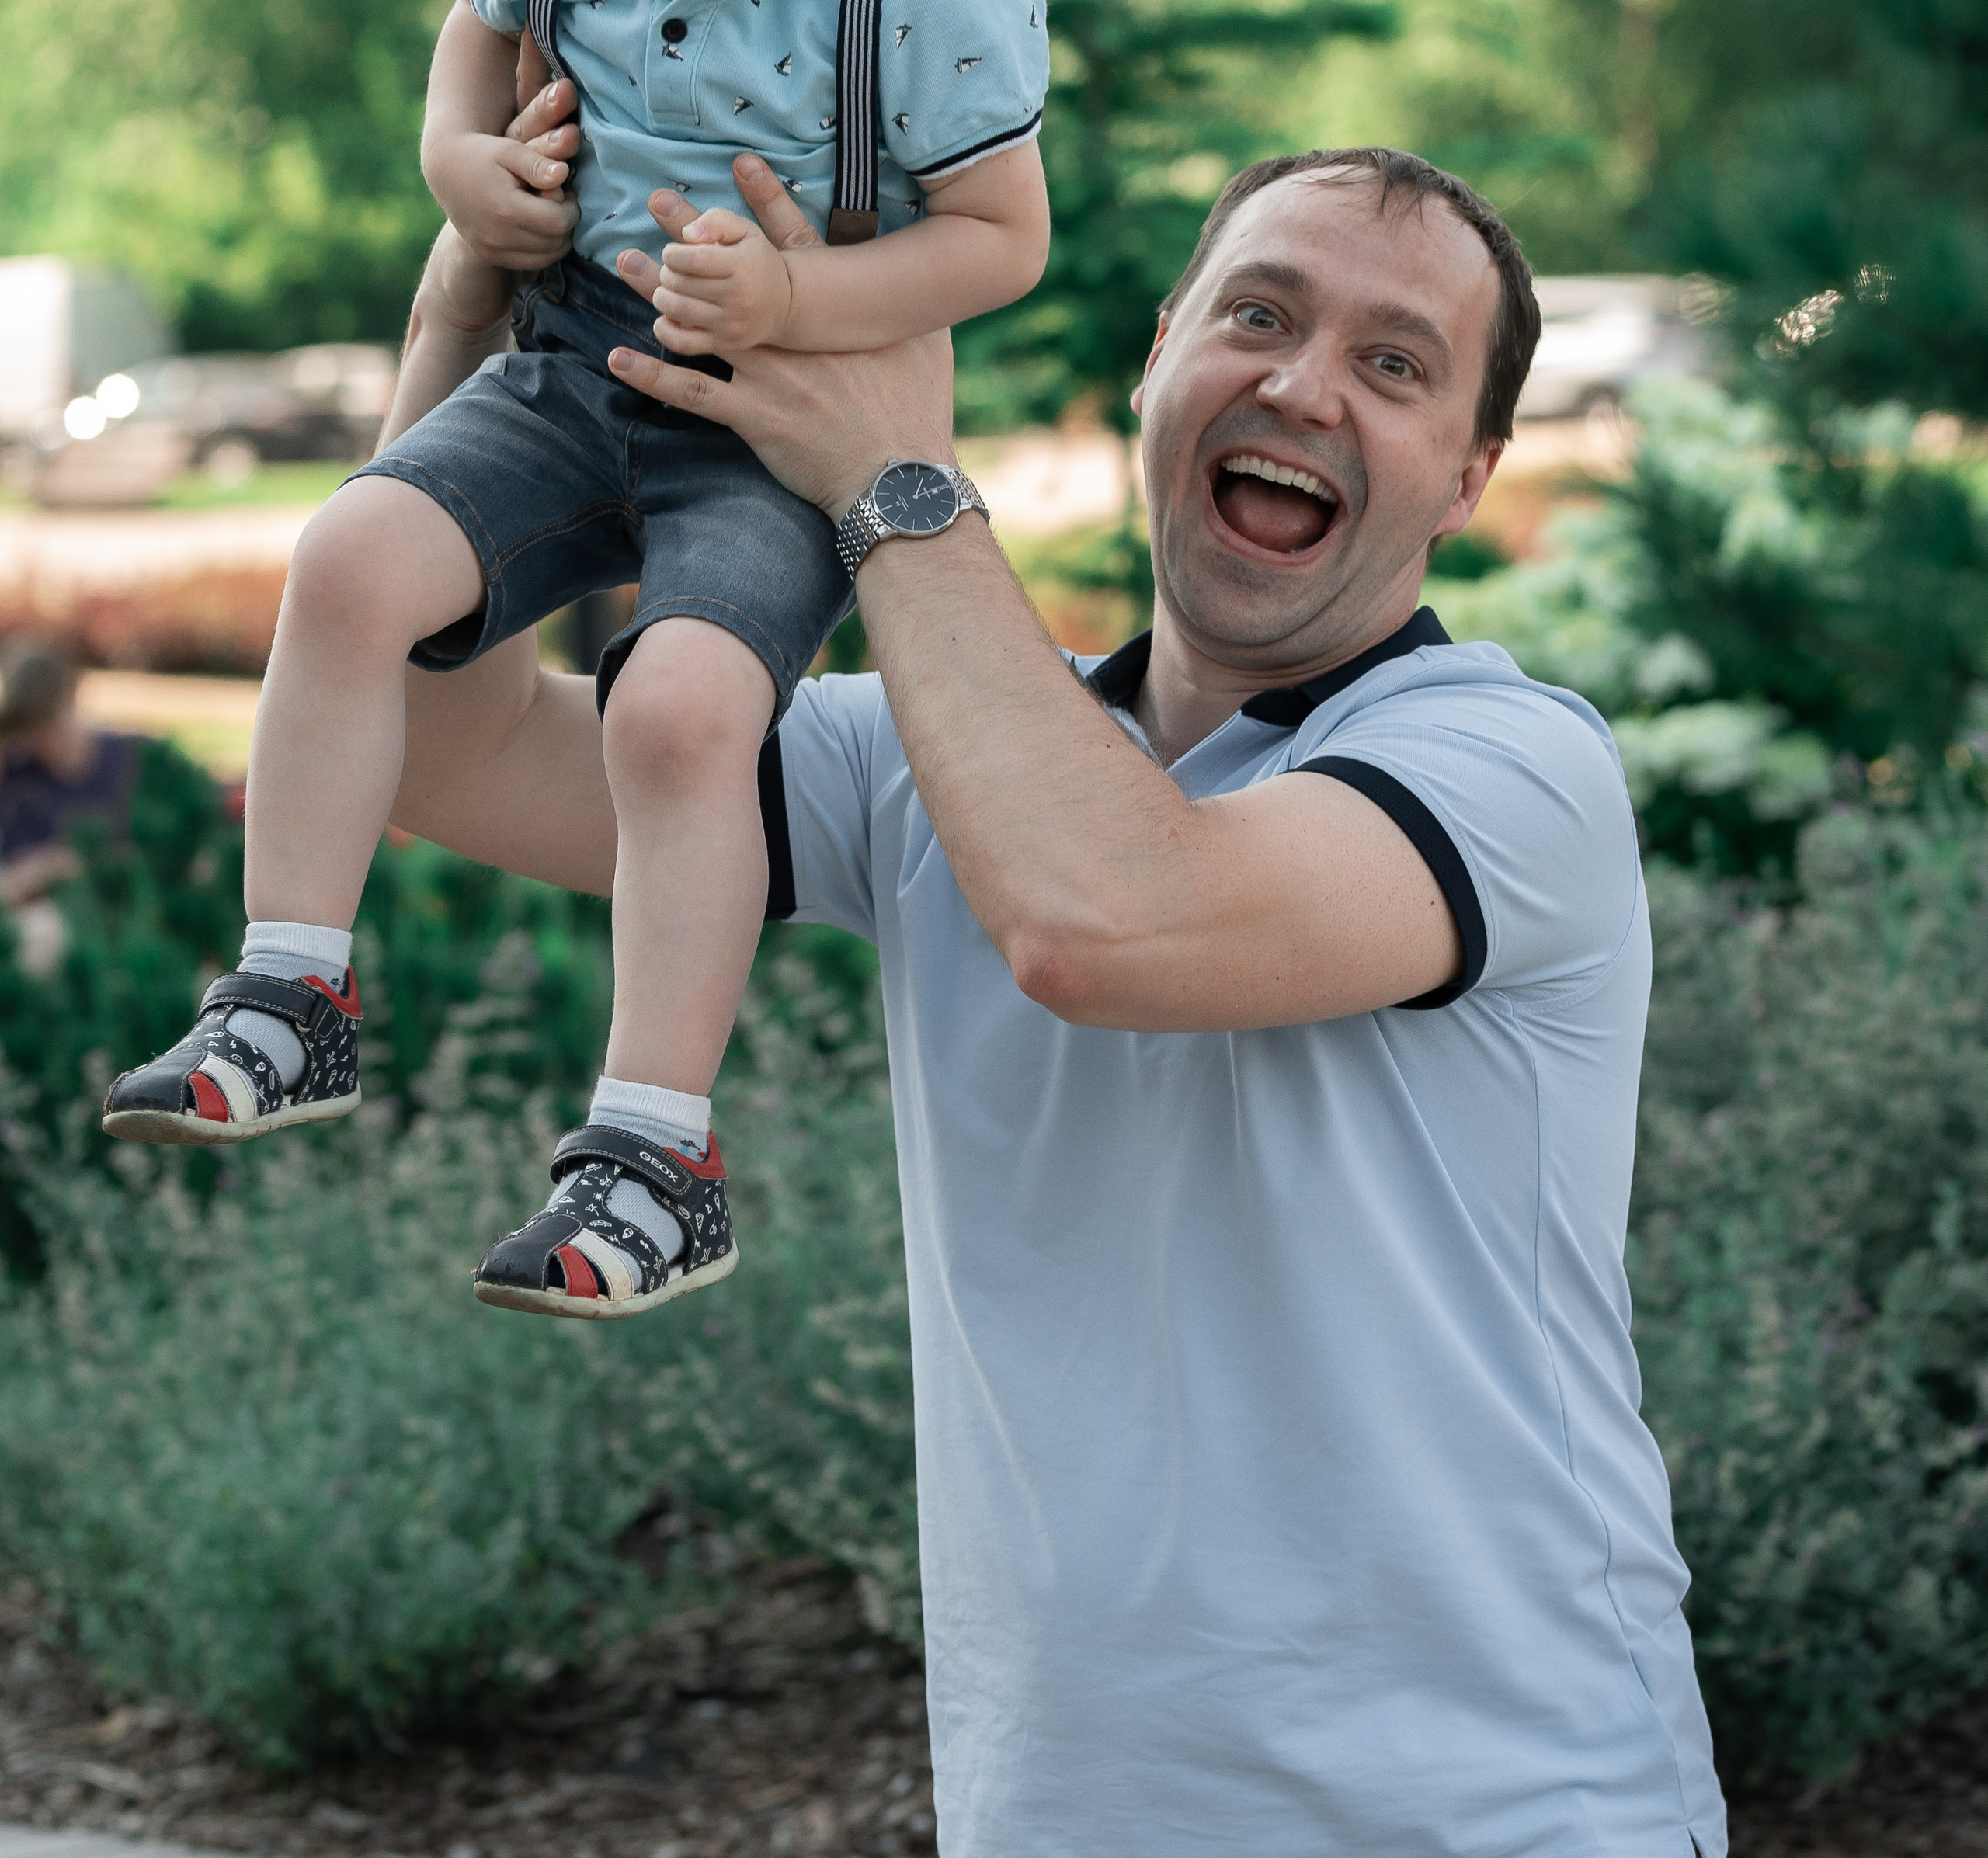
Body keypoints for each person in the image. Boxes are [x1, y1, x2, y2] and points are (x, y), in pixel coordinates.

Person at [370, 141, 1727, 1857]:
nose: (1302, 385)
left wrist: (893, 477)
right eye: (1257, 313)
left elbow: (1103, 922)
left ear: (1466, 476)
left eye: (1394, 365)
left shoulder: (1509, 766)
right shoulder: (920, 759)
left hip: (1494, 1817)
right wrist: (469, 315)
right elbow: (444, 750)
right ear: (1158, 356)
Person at [101, 0, 1053, 1328]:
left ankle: (654, 1151)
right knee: (350, 553)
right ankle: (292, 983)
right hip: (563, 360)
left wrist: (805, 296)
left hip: (757, 415)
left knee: (680, 714)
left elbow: (997, 241)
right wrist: (467, 175)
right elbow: (465, 79)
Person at [0, 637, 144, 974]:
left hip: (129, 914)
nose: (40, 740)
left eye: (47, 724)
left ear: (71, 699)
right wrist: (51, 865)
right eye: (29, 730)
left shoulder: (132, 760)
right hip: (52, 921)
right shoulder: (22, 779)